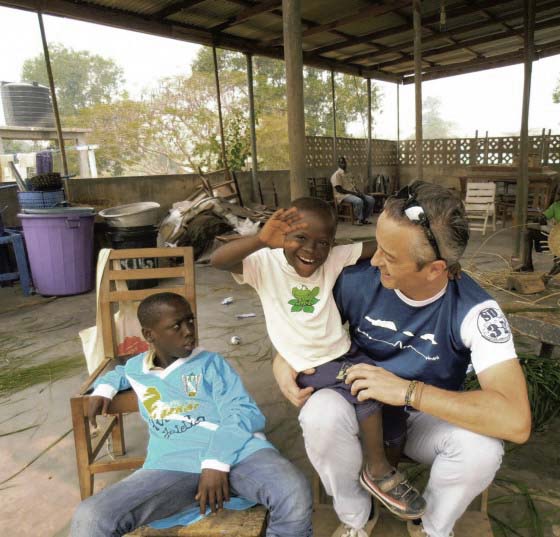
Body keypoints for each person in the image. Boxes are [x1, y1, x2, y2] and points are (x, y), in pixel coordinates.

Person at [273, 182, 531, 537]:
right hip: (361, 411)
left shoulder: (475, 310)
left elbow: (515, 420)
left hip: (427, 418)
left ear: (435, 269)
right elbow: (301, 322)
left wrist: (408, 391)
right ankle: (357, 517)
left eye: (390, 256)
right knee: (320, 414)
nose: (375, 260)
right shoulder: (355, 281)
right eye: (377, 246)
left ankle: (431, 526)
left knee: (481, 449)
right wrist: (283, 357)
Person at [210, 197, 426, 520]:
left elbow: (371, 247)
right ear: (282, 236)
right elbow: (218, 260)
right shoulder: (264, 264)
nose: (311, 250)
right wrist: (259, 240)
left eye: (322, 242)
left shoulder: (332, 258)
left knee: (386, 401)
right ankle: (377, 470)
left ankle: (383, 472)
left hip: (343, 354)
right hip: (308, 366)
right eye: (300, 238)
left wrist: (418, 243)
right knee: (364, 386)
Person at [70, 293, 312, 537]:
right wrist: (104, 389)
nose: (189, 331)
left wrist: (215, 463)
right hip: (172, 464)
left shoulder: (210, 363)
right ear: (149, 335)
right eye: (176, 326)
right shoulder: (136, 369)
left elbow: (243, 411)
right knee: (91, 517)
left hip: (239, 453)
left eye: (190, 321)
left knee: (293, 492)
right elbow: (120, 373)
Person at [331, 156, 376, 225]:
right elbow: (339, 190)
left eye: (344, 162)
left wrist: (359, 192)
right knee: (359, 201)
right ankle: (359, 219)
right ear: (338, 164)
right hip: (343, 196)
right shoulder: (336, 175)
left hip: (353, 193)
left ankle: (364, 218)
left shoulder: (348, 173)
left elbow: (353, 186)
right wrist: (354, 193)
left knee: (371, 199)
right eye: (341, 162)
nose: (343, 164)